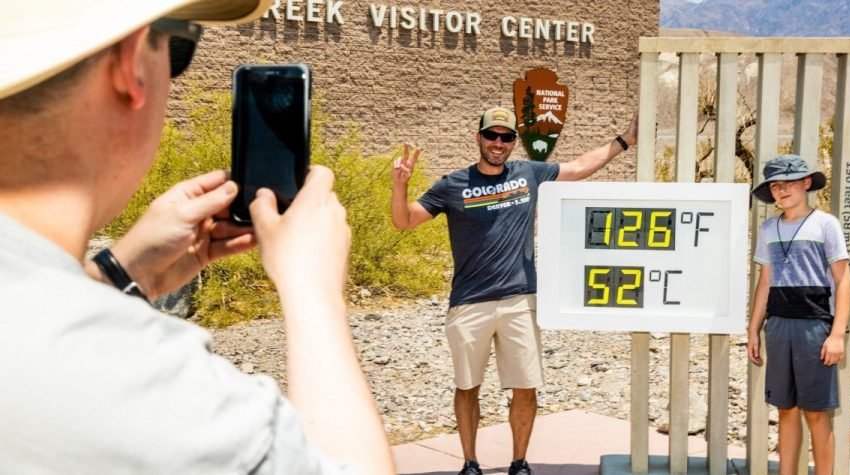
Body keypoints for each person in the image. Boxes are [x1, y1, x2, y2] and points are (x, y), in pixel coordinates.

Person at [0, 1, 393, 473]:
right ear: (130, 64)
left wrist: (116, 274)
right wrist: (313, 290)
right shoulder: (126, 373)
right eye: (180, 43)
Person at [391, 106, 638, 475]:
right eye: (491, 135)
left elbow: (580, 166)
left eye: (506, 137)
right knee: (467, 386)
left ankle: (519, 462)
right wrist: (400, 186)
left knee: (525, 386)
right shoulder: (453, 184)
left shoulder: (530, 173)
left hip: (519, 299)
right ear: (478, 137)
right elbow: (405, 221)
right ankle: (470, 463)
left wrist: (624, 142)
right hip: (469, 303)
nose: (498, 143)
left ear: (512, 142)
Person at [747, 155, 850, 475]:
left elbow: (843, 280)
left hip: (815, 329)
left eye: (789, 183)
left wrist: (836, 334)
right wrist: (754, 329)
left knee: (817, 412)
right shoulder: (768, 229)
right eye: (776, 186)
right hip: (778, 327)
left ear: (806, 183)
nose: (782, 191)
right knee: (786, 410)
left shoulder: (826, 224)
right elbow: (765, 282)